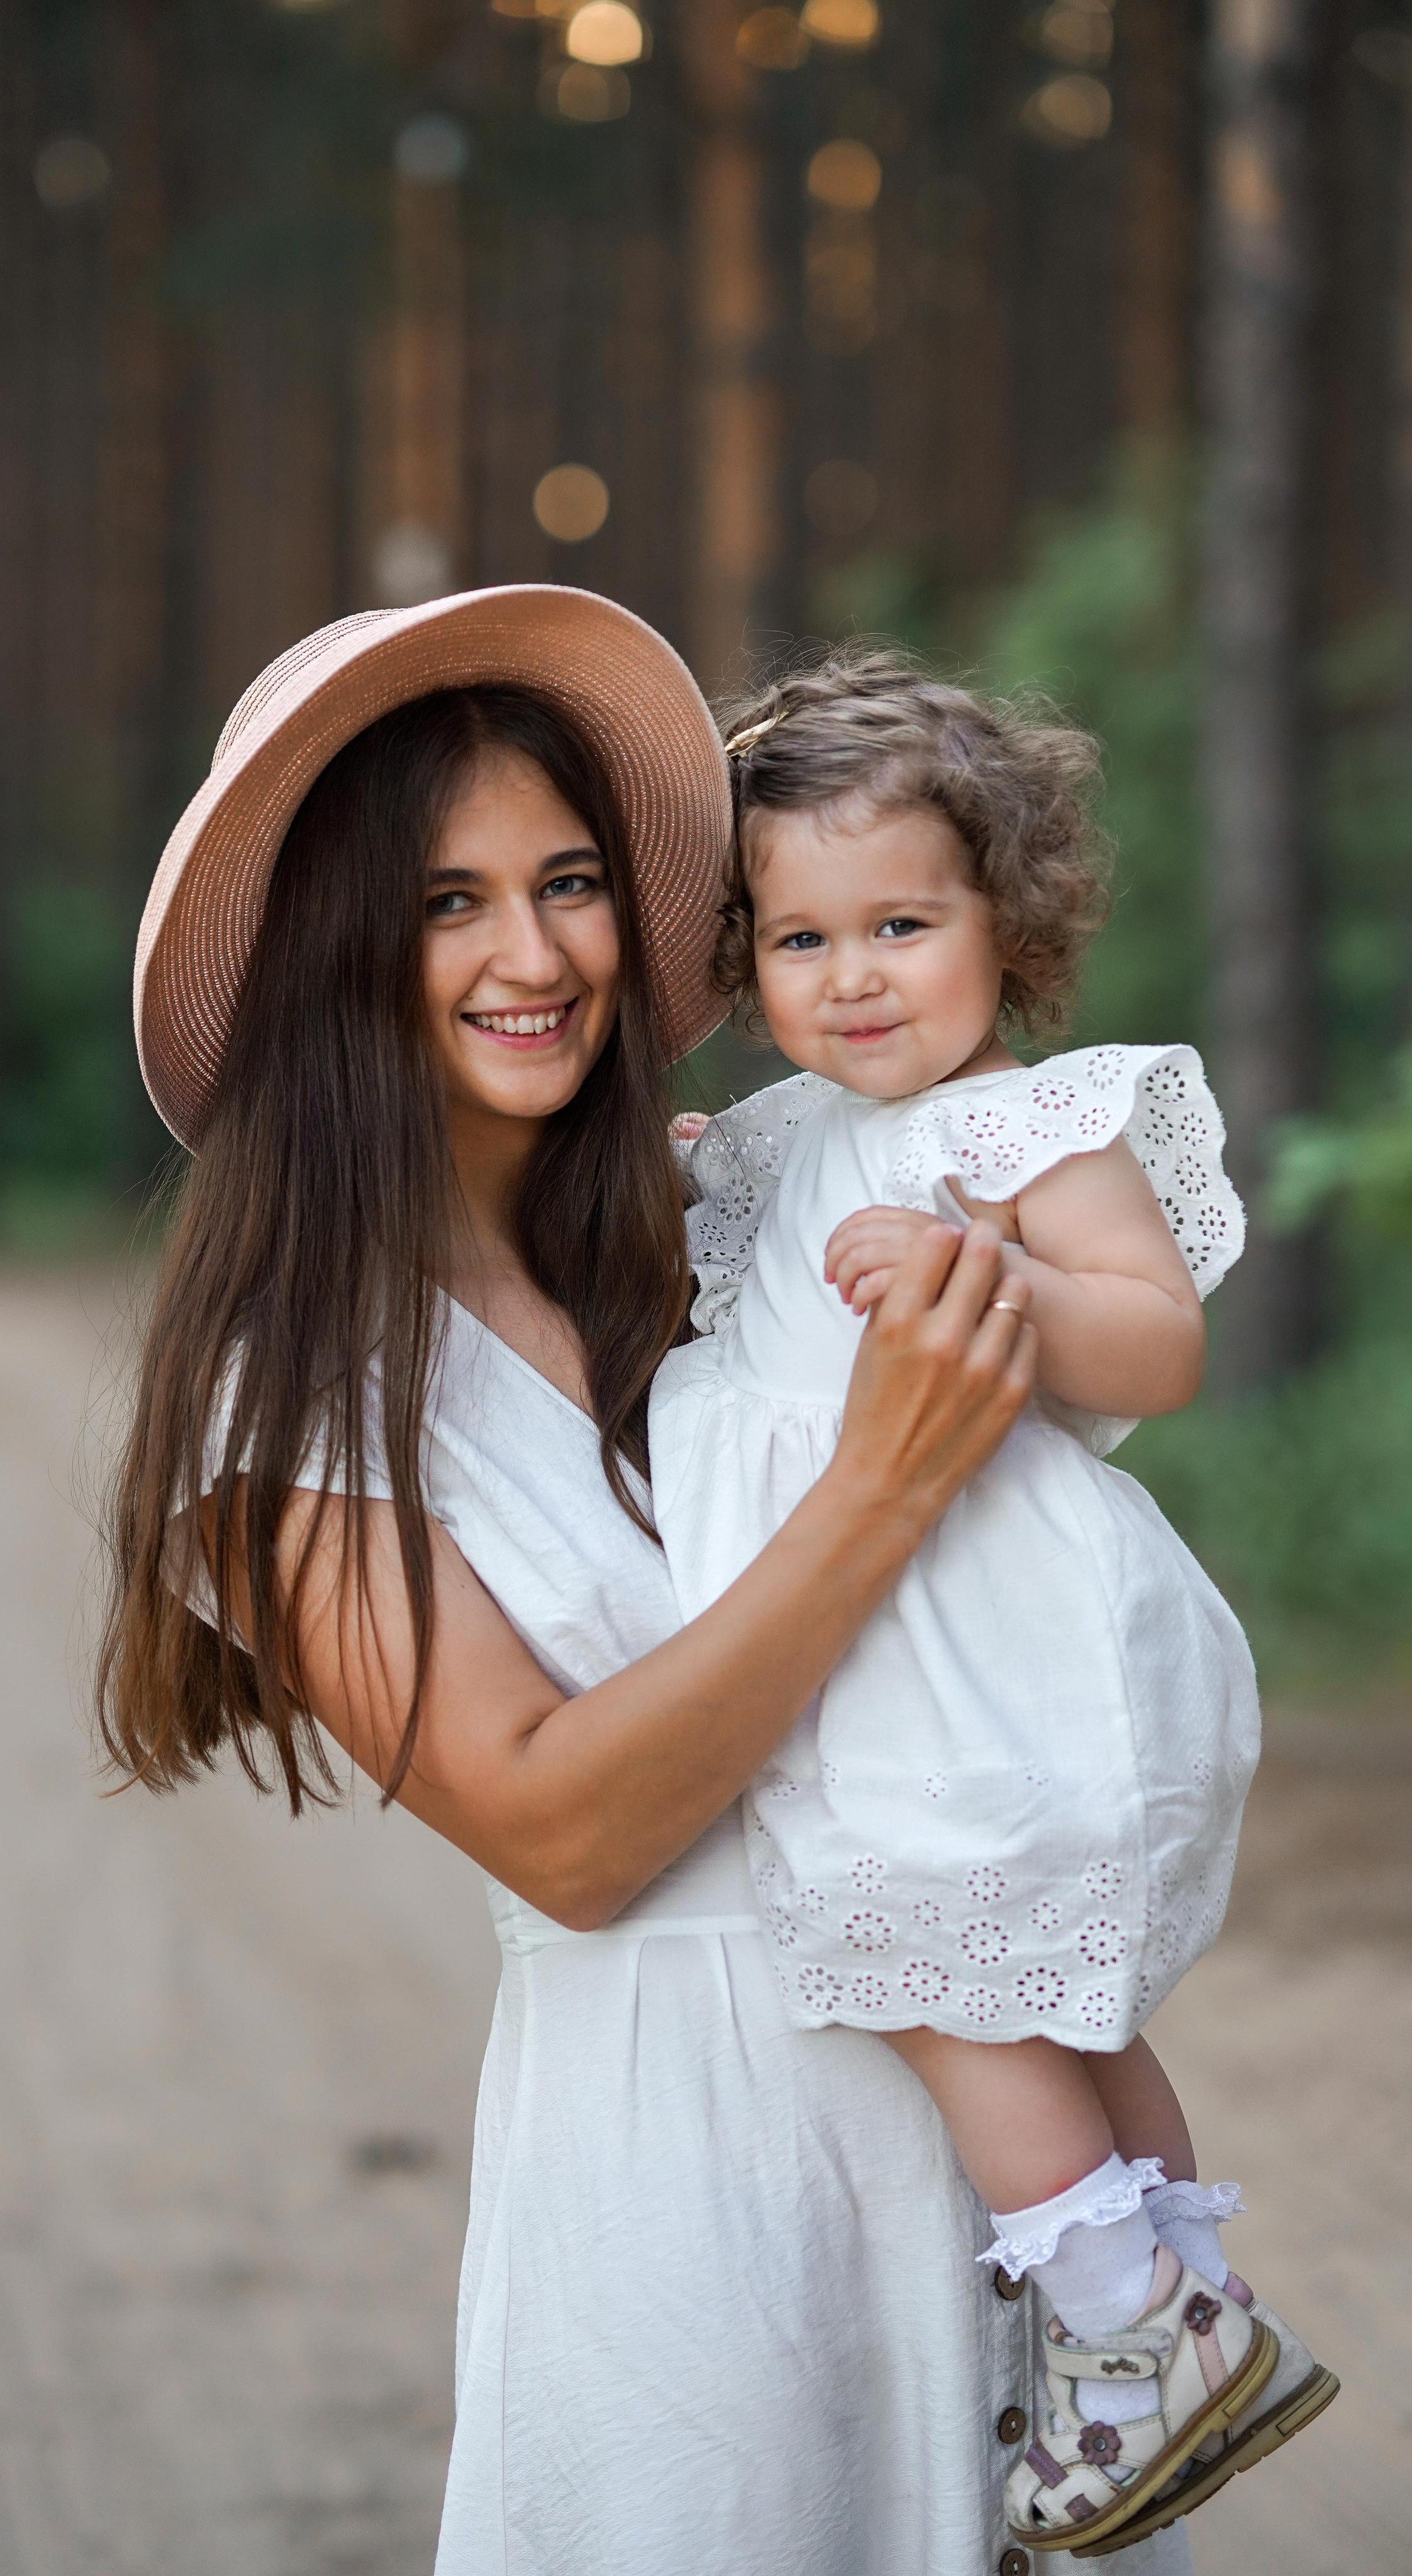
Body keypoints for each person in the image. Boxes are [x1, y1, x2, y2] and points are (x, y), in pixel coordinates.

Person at [99, 585, 1194, 2575]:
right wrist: (874, 1493)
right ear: (334, 948)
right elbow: (569, 1837)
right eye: (446, 903)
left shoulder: (709, 1237)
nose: (532, 957)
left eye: (572, 883)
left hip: (991, 2151)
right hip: (696, 2203)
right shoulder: (295, 1396)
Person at [651, 648, 1337, 2553]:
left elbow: (1160, 1342)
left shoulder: (1030, 1126)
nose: (855, 977)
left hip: (978, 1645)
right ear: (744, 962)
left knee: (945, 1981)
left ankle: (1131, 2323)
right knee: (1052, 1998)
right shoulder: (777, 1143)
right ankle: (1174, 2310)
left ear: (1005, 924)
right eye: (801, 941)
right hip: (873, 1644)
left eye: (903, 925)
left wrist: (998, 1283)